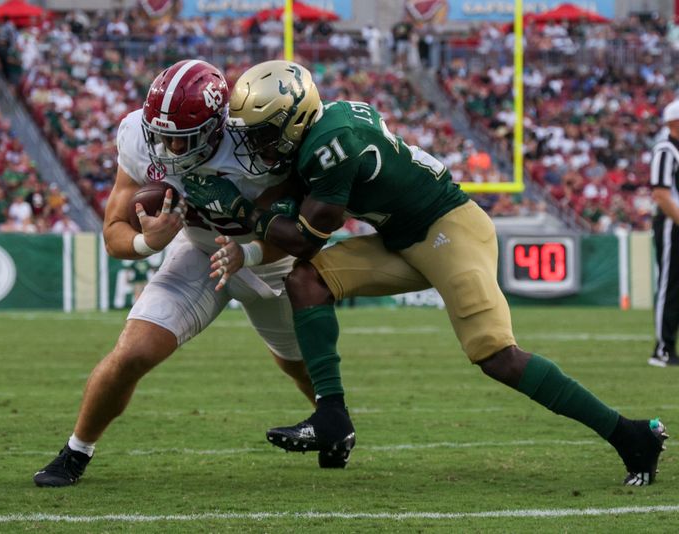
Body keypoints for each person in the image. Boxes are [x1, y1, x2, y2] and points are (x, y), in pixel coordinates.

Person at [182, 60, 669, 485]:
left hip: (448, 231)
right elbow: (290, 202)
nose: (259, 146)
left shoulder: (332, 145)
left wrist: (246, 214)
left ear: (295, 120)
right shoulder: (320, 130)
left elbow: (307, 235)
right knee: (306, 280)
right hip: (402, 237)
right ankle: (331, 417)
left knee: (496, 355)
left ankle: (630, 434)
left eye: (265, 134)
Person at [33, 60, 315, 488]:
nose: (169, 150)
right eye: (162, 136)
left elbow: (302, 231)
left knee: (299, 366)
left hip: (268, 261)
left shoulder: (261, 140)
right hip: (200, 251)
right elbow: (113, 235)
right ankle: (76, 450)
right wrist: (150, 241)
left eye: (183, 139)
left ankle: (334, 425)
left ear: (220, 126)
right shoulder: (137, 137)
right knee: (133, 353)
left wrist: (249, 242)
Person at [649, 99, 679, 367]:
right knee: (670, 285)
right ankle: (663, 348)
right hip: (672, 224)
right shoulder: (667, 150)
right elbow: (660, 194)